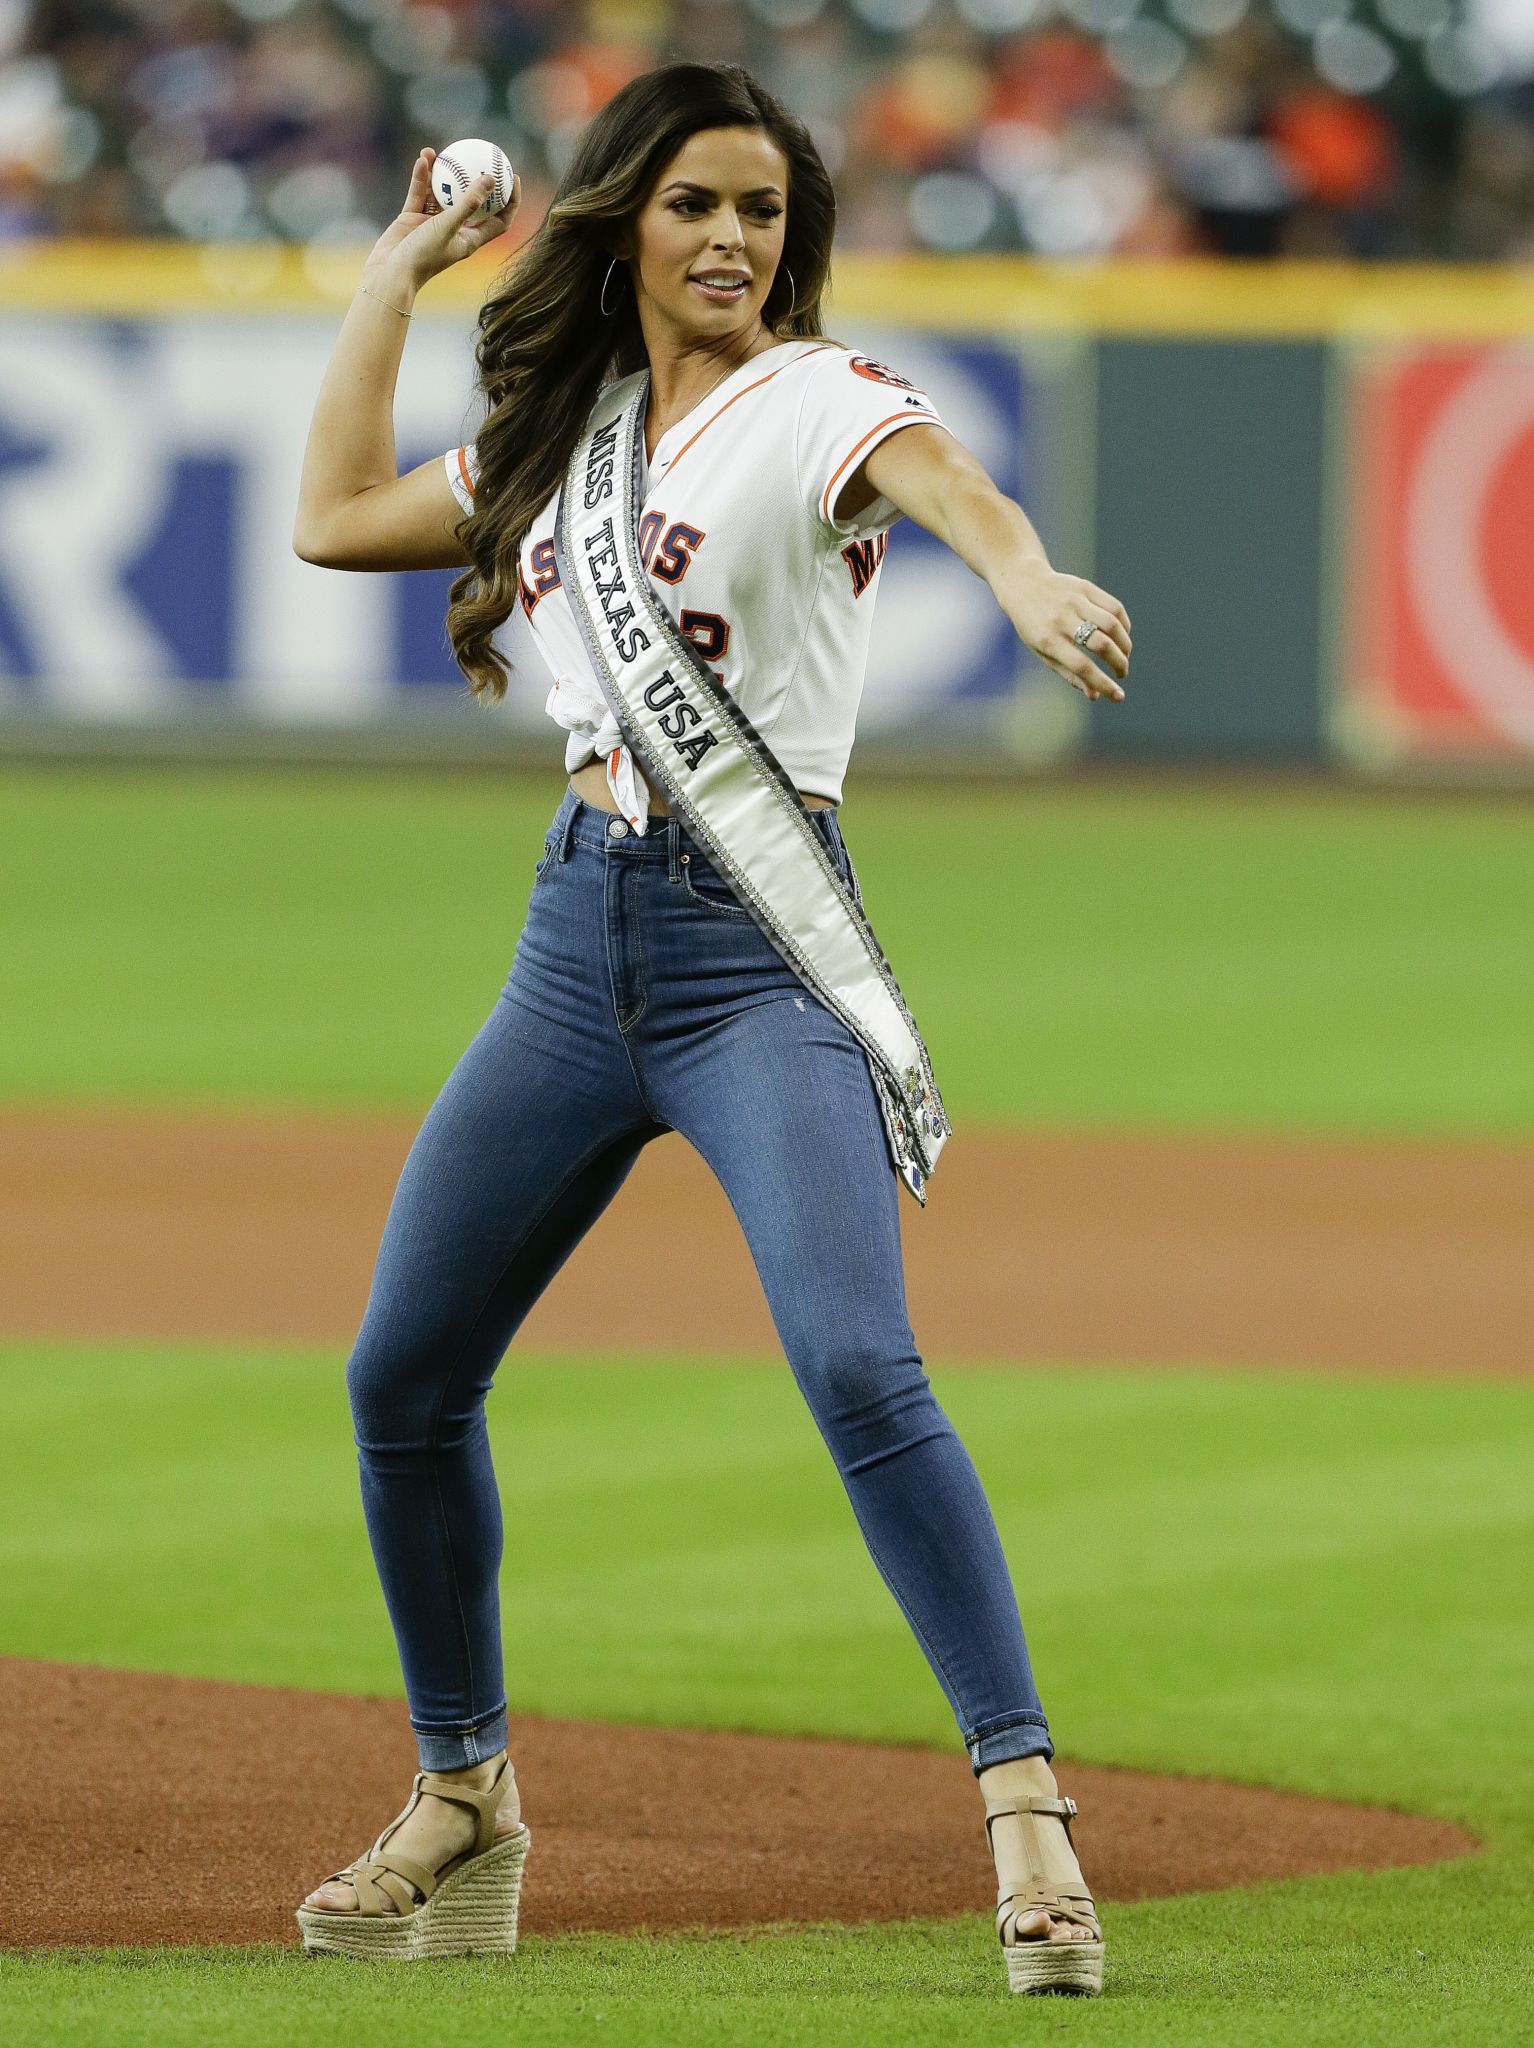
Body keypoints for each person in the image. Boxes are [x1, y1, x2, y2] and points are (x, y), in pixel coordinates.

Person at [290, 60, 1130, 1996]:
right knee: (399, 1377)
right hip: (572, 953)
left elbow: (951, 485)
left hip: (756, 953)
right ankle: (465, 1788)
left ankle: (1023, 1809)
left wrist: (1018, 573)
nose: (733, 240)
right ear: (626, 226)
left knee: (856, 1361)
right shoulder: (568, 441)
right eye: (693, 207)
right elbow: (335, 517)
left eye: (761, 210)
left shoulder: (816, 401)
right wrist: (394, 276)